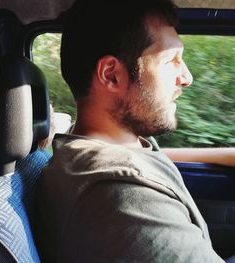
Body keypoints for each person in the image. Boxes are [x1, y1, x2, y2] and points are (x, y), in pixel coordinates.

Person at [35, 0, 234, 262]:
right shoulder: (120, 196)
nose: (186, 77)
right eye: (171, 60)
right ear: (112, 75)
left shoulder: (106, 144)